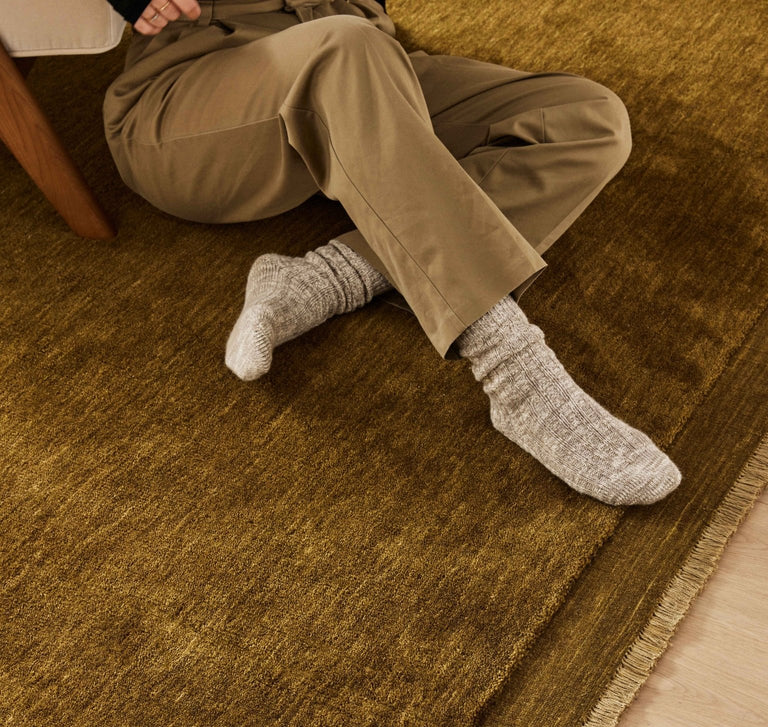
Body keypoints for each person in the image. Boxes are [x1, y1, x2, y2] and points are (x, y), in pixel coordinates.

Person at [102, 0, 682, 506]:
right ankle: (517, 376)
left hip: (360, 50)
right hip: (195, 86)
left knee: (586, 119)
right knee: (343, 49)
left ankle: (324, 277)